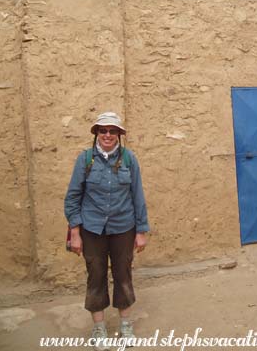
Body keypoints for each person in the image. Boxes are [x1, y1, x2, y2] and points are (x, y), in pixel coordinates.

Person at [64, 112, 149, 350]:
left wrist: (141, 231)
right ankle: (99, 328)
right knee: (96, 275)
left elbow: (137, 197)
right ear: (97, 134)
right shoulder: (86, 160)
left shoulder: (129, 160)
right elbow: (73, 197)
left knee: (123, 274)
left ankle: (125, 325)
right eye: (103, 131)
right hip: (92, 229)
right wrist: (75, 232)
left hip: (124, 228)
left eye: (113, 131)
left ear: (119, 135)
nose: (108, 135)